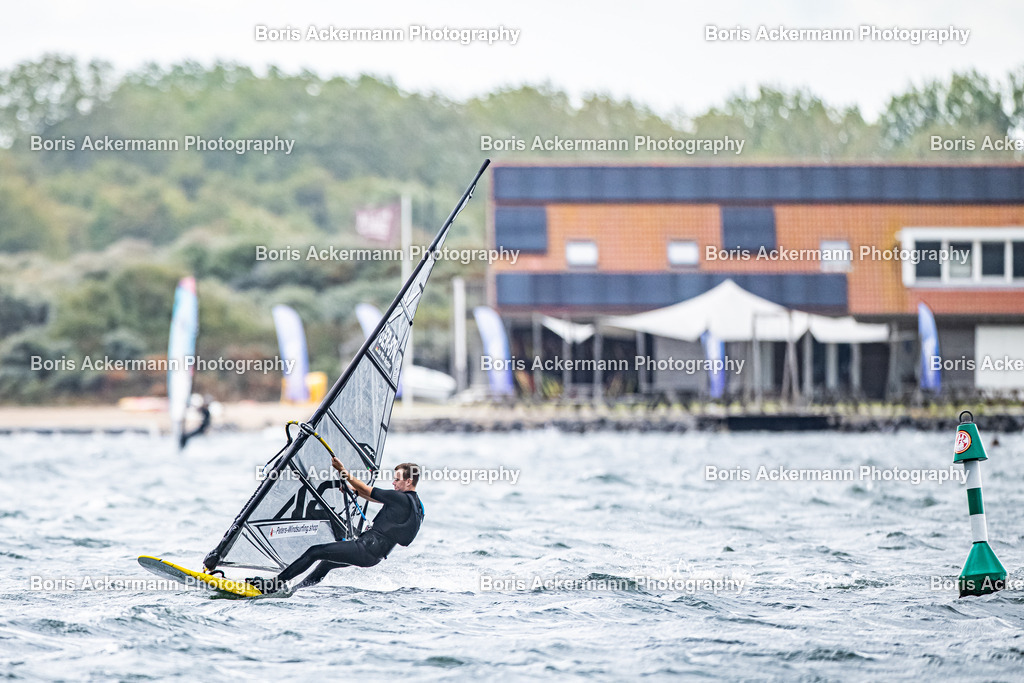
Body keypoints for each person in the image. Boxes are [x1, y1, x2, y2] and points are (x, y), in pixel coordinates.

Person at [247, 460, 424, 594]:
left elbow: (365, 488)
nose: (393, 483)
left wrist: (343, 471)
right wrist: (352, 490)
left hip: (365, 549)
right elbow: (371, 497)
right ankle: (297, 591)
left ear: (408, 482)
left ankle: (272, 585)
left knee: (315, 551)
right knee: (326, 563)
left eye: (397, 480)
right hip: (374, 555)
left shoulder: (399, 498)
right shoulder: (414, 504)